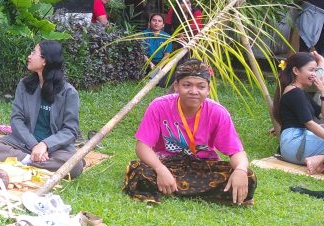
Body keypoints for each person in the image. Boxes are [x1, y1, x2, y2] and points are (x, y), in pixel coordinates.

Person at [124, 59, 256, 205]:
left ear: (208, 89)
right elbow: (142, 147)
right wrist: (160, 169)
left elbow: (236, 152)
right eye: (187, 85)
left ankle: (172, 189)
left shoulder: (218, 112)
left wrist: (241, 170)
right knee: (141, 172)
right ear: (176, 86)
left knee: (248, 177)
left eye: (201, 86)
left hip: (203, 166)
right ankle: (206, 193)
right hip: (167, 163)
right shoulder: (159, 106)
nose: (194, 91)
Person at [0, 41, 84, 177]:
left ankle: (20, 163)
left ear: (45, 60)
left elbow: (70, 130)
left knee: (75, 165)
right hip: (22, 145)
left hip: (54, 150)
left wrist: (45, 145)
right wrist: (34, 145)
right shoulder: (25, 85)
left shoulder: (68, 92)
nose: (29, 56)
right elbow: (16, 119)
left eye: (34, 53)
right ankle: (29, 161)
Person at [272, 51, 324, 174]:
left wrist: (323, 93)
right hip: (295, 143)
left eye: (315, 70)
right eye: (311, 70)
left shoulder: (300, 92)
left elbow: (322, 115)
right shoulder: (295, 93)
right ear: (296, 70)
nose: (314, 74)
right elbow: (309, 124)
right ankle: (319, 159)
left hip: (295, 144)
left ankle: (320, 160)